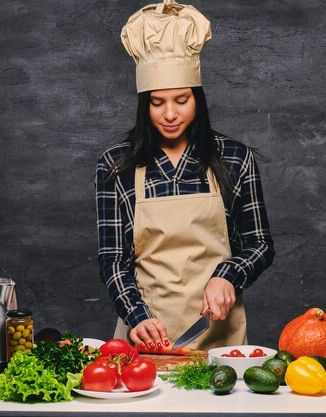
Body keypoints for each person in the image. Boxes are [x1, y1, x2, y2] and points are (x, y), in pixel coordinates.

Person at [96, 0, 274, 352]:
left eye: (182, 99)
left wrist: (228, 276)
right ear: (144, 104)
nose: (170, 114)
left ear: (199, 99)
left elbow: (260, 244)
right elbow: (112, 258)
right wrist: (136, 316)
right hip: (146, 340)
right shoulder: (116, 164)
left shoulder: (234, 158)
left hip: (220, 343)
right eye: (157, 102)